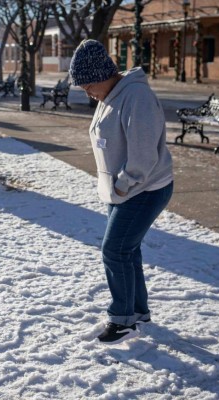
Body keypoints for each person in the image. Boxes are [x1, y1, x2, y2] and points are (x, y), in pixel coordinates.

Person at [69, 39, 174, 345]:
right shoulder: (112, 95)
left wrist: (121, 185)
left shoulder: (136, 97)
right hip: (122, 190)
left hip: (143, 189)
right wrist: (112, 186)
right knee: (127, 251)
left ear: (104, 75)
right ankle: (137, 312)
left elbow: (144, 156)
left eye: (88, 85)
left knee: (114, 251)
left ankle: (122, 319)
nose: (88, 92)